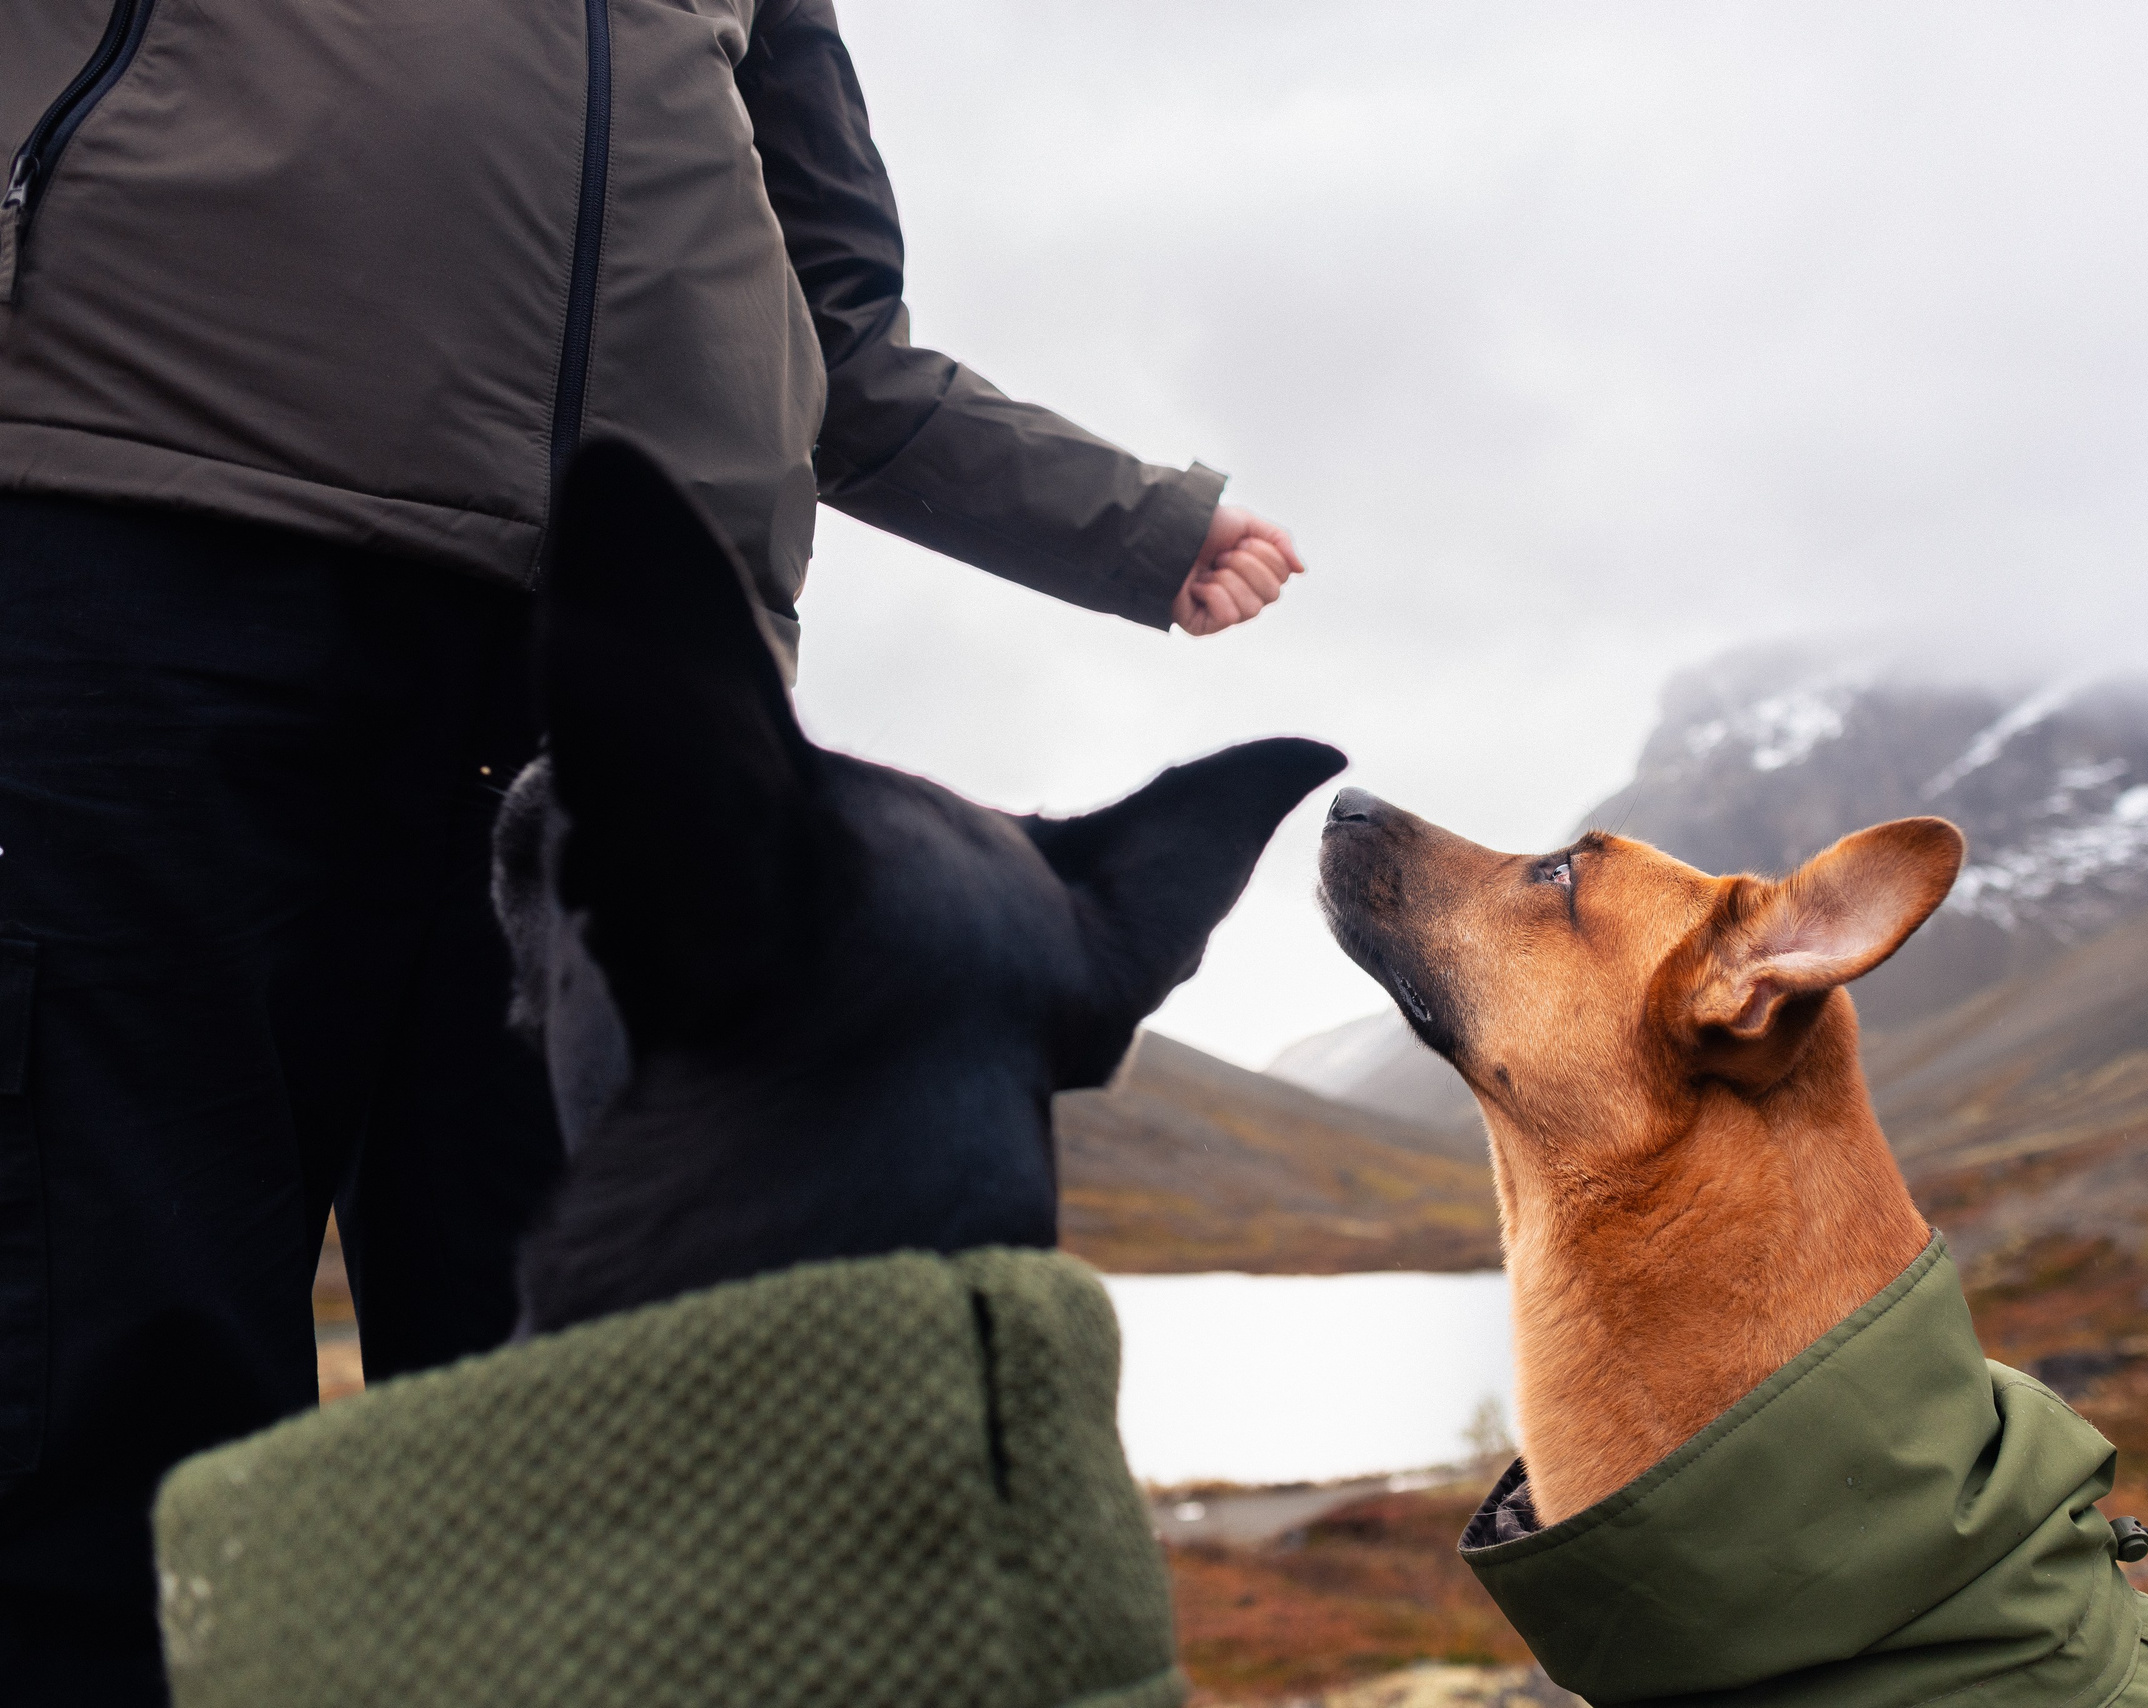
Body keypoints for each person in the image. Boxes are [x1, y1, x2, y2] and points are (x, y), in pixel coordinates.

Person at [0, 1, 1300, 1699]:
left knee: (606, 1460)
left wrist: (1127, 517)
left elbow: (838, 332)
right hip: (146, 529)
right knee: (107, 1395)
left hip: (638, 694)